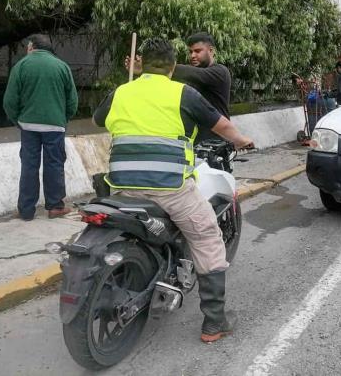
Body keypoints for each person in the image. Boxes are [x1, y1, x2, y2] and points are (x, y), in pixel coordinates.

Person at [93, 38, 253, 343]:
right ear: (171, 67)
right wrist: (243, 140)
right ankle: (214, 323)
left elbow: (98, 119)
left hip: (121, 187)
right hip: (169, 188)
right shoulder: (182, 93)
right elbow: (222, 126)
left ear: (142, 62)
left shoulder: (121, 92)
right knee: (207, 236)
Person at [3, 34, 78, 221]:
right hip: (55, 126)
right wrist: (62, 118)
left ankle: (26, 210)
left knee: (29, 165)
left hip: (28, 126)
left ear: (31, 47)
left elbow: (10, 101)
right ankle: (55, 207)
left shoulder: (21, 66)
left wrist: (17, 121)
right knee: (55, 164)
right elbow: (73, 102)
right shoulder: (62, 67)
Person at [128, 32, 232, 145]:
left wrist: (155, 64)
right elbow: (160, 81)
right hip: (192, 144)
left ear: (211, 51)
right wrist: (145, 71)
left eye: (198, 51)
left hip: (216, 144)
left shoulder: (220, 72)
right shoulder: (185, 78)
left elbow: (193, 74)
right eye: (190, 52)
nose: (192, 55)